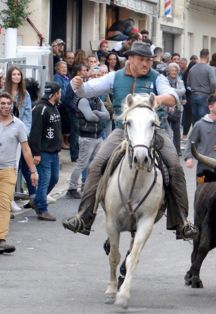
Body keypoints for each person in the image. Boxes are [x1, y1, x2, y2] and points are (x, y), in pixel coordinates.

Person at [62, 42, 198, 240]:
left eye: (148, 60)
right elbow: (87, 90)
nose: (146, 64)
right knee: (97, 165)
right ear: (131, 59)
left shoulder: (157, 78)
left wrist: (159, 100)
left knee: (175, 167)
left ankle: (182, 221)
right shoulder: (115, 77)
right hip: (122, 131)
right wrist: (78, 85)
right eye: (141, 60)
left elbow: (172, 97)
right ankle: (83, 216)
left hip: (153, 131)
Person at [0, 92, 38, 254]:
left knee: (3, 205)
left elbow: (26, 149)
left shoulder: (19, 125)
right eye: (2, 103)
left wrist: (33, 171)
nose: (6, 106)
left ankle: (1, 239)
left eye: (8, 103)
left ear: (13, 105)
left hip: (8, 170)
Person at [66, 85, 110, 199]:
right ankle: (72, 188)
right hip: (86, 137)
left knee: (94, 163)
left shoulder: (97, 100)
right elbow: (90, 117)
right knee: (82, 163)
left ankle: (87, 186)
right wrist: (99, 113)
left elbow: (107, 115)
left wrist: (96, 113)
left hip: (98, 136)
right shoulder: (83, 100)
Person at [29, 82, 63, 221]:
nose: (60, 95)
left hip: (54, 151)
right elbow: (35, 133)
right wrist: (36, 153)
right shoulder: (40, 108)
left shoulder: (54, 107)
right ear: (55, 94)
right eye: (59, 92)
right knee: (44, 180)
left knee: (54, 178)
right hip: (44, 151)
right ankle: (42, 209)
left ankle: (36, 199)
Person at [184, 93, 216, 175]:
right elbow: (191, 142)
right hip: (204, 167)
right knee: (201, 186)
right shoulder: (199, 125)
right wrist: (189, 158)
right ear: (210, 107)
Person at [187, 49, 216, 124]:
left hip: (194, 95)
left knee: (195, 118)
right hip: (205, 95)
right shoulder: (209, 69)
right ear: (208, 56)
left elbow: (188, 83)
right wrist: (212, 92)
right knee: (204, 118)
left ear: (200, 56)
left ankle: (196, 133)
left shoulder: (192, 68)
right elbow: (213, 83)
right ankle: (203, 134)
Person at [165, 62, 186, 156]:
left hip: (177, 108)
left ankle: (177, 150)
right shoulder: (164, 80)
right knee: (167, 131)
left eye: (175, 70)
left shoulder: (180, 81)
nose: (174, 72)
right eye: (172, 70)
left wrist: (171, 91)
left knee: (177, 130)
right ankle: (168, 150)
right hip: (166, 108)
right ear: (168, 71)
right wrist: (176, 92)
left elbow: (183, 91)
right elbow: (163, 91)